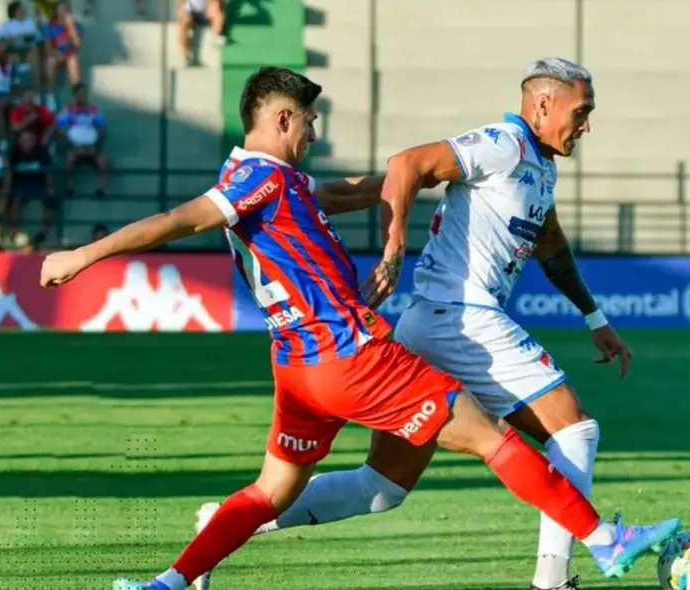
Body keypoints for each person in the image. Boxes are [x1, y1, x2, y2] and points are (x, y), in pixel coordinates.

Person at [38, 66, 680, 590]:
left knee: (277, 493)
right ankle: (602, 541)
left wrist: (424, 185)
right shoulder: (255, 180)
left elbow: (351, 189)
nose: (314, 133)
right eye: (309, 122)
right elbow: (178, 221)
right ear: (282, 119)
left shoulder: (284, 183)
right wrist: (82, 256)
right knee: (492, 438)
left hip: (297, 370)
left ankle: (165, 585)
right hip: (353, 356)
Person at [194, 57, 636, 590]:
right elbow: (407, 164)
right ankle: (554, 578)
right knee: (574, 428)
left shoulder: (540, 167)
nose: (586, 125)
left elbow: (552, 247)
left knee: (379, 487)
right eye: (581, 111)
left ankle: (225, 523)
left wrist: (594, 316)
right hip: (463, 315)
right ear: (543, 104)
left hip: (435, 323)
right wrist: (394, 241)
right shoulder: (502, 143)